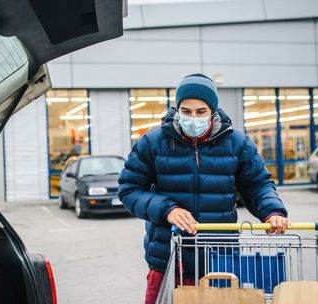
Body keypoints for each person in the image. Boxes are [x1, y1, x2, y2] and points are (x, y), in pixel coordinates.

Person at [117, 73, 290, 304]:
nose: (193, 118)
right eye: (186, 111)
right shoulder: (152, 142)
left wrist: (273, 211)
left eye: (201, 112)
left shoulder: (237, 143)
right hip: (169, 257)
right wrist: (168, 209)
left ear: (213, 111)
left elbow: (257, 185)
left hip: (219, 258)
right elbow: (129, 190)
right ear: (177, 108)